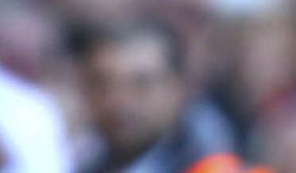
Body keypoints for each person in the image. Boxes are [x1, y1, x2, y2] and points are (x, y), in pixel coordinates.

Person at [74, 20, 240, 173]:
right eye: (103, 83)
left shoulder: (216, 166)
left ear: (179, 88)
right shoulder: (81, 161)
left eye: (142, 83)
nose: (119, 100)